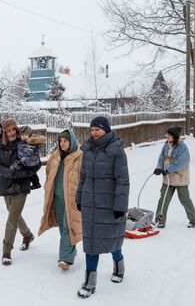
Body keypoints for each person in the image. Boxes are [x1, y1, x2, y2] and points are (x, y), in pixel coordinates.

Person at [75, 116, 130, 299]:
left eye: (97, 129)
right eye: (92, 129)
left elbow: (123, 180)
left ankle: (119, 266)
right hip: (91, 203)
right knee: (91, 243)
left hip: (109, 204)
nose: (94, 133)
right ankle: (90, 282)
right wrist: (80, 197)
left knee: (112, 240)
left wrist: (120, 206)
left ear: (106, 129)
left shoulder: (116, 150)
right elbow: (83, 177)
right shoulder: (88, 149)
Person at [0, 119, 41, 266]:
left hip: (21, 185)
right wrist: (10, 173)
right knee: (13, 213)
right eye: (8, 131)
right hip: (6, 184)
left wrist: (23, 173)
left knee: (12, 218)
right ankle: (27, 235)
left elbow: (36, 163)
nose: (12, 133)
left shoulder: (24, 143)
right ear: (4, 133)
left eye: (14, 129)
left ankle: (6, 251)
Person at [39, 130, 82, 271]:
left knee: (68, 226)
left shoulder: (79, 157)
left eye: (65, 141)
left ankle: (65, 259)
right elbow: (48, 171)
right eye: (61, 141)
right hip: (57, 196)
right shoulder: (55, 156)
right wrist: (48, 186)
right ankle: (70, 250)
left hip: (72, 198)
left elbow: (84, 177)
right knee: (63, 225)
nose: (62, 144)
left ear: (72, 142)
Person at [154, 126, 195, 229]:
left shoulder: (182, 147)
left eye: (169, 135)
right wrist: (158, 168)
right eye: (167, 134)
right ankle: (159, 220)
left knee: (184, 199)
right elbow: (161, 158)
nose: (167, 136)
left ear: (175, 136)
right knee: (163, 199)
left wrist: (167, 170)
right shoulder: (166, 145)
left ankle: (193, 219)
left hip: (180, 178)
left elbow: (181, 163)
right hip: (168, 178)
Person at [14, 125, 45, 190]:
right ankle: (36, 183)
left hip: (30, 162)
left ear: (29, 135)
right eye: (22, 135)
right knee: (32, 174)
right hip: (30, 162)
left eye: (25, 135)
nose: (24, 137)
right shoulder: (22, 142)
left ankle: (19, 184)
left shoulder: (31, 143)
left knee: (24, 172)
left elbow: (28, 152)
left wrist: (21, 159)